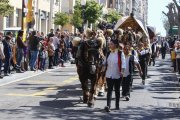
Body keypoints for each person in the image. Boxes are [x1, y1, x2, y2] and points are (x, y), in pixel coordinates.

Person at [103, 40, 126, 112]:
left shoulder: (120, 53)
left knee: (117, 90)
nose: (109, 45)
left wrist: (122, 71)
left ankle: (117, 105)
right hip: (109, 74)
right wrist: (102, 66)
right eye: (109, 44)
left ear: (115, 45)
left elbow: (123, 63)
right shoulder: (108, 53)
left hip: (117, 74)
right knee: (109, 90)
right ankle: (108, 105)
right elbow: (104, 62)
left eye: (111, 44)